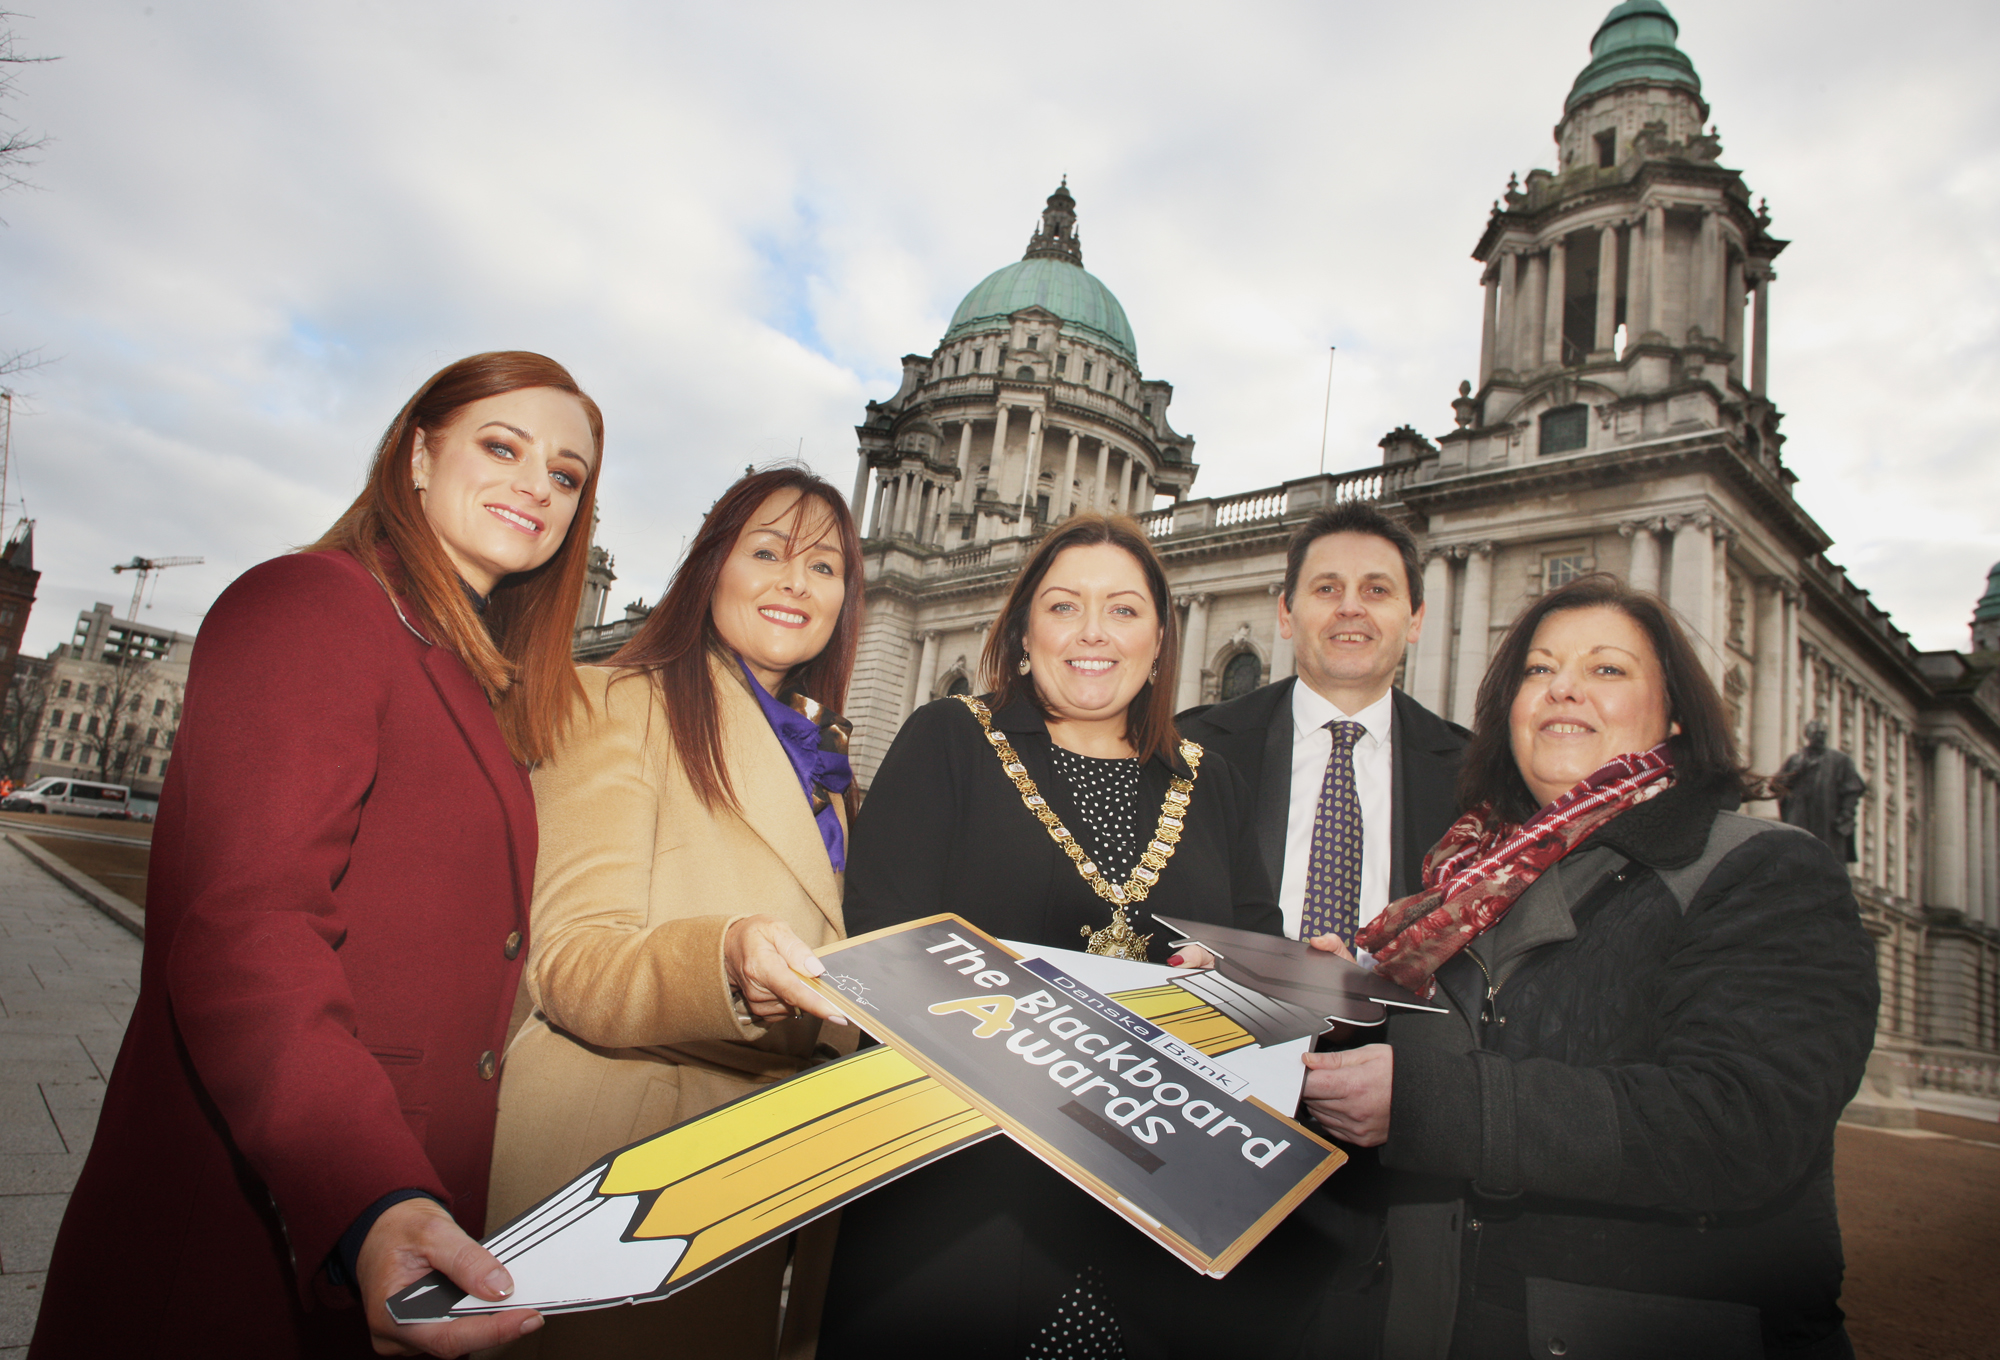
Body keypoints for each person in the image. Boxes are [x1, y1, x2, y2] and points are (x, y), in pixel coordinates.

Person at [32, 352, 606, 1359]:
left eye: (565, 475)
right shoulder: (312, 604)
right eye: (502, 446)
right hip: (279, 1202)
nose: (535, 485)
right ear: (418, 456)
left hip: (403, 1209)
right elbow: (248, 925)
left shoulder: (469, 671)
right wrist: (369, 1190)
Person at [1306, 574, 1878, 1359]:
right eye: (1538, 671)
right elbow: (1453, 1070)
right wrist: (1312, 999)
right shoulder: (1457, 890)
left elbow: (1742, 1122)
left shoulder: (1765, 868)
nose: (1562, 688)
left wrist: (1426, 1107)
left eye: (1606, 669)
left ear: (1674, 711)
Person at [818, 512, 1284, 1360]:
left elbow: (1256, 959)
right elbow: (882, 956)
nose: (1094, 634)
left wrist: (1260, 982)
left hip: (1154, 1208)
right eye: (1066, 607)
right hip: (959, 1191)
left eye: (1124, 610)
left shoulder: (1213, 784)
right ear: (1024, 631)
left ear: (1158, 641)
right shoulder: (949, 740)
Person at [485, 466, 863, 1358]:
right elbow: (570, 960)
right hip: (622, 1164)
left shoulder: (825, 754)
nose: (792, 584)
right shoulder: (613, 700)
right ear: (710, 567)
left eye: (823, 568)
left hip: (751, 1170)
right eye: (766, 552)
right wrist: (724, 959)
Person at [1177, 501, 1468, 1355]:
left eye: (1377, 590)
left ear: (1415, 620)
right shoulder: (1191, 751)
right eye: (1327, 587)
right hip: (1209, 1115)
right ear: (1285, 611)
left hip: (1389, 1158)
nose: (1350, 607)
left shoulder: (1476, 777)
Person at [1773, 719, 1869, 862]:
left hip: (1828, 818)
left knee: (1828, 857)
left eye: (1823, 734)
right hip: (1800, 814)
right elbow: (1776, 785)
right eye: (1816, 734)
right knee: (1797, 855)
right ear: (1808, 736)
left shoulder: (1841, 760)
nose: (1820, 737)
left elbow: (1853, 789)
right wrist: (1795, 772)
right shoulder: (1796, 760)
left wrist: (1846, 813)